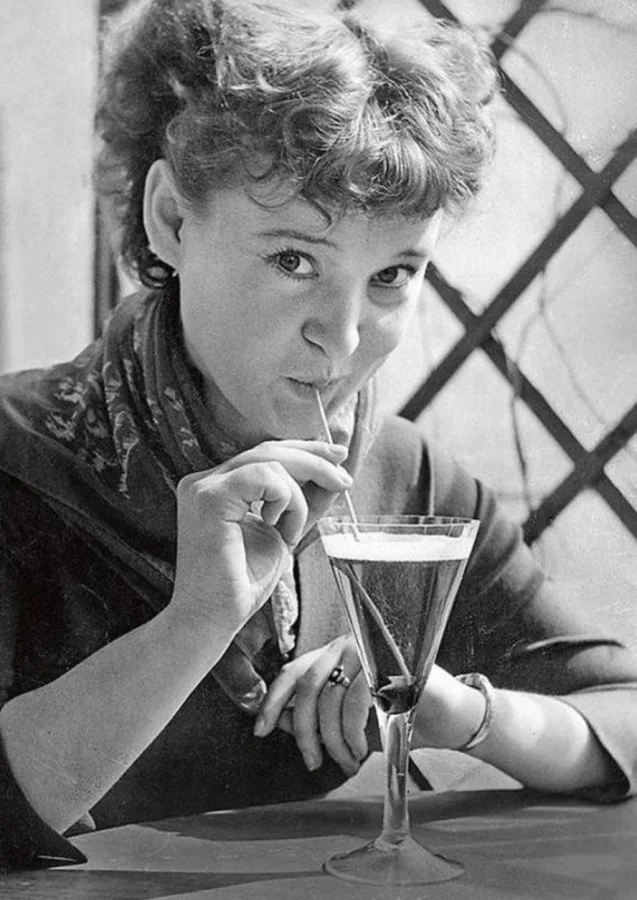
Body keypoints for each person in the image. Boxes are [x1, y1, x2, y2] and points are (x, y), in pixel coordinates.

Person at [0, 0, 635, 873]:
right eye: (293, 260)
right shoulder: (16, 457)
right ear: (171, 220)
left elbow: (624, 714)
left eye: (391, 275)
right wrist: (195, 622)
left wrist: (453, 708)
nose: (340, 339)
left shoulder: (412, 480)